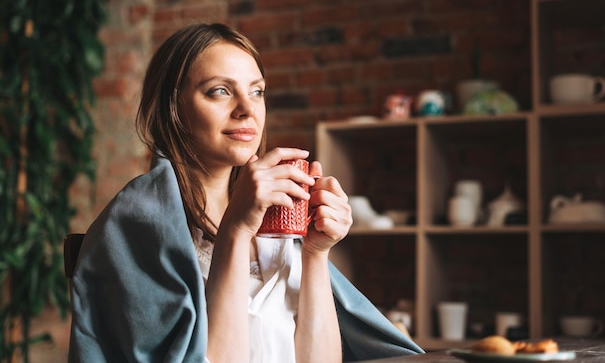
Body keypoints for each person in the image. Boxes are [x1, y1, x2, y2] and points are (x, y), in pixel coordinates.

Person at [68, 23, 423, 363]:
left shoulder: (276, 209)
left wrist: (315, 253)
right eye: (220, 91)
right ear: (173, 107)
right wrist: (236, 231)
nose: (247, 109)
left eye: (256, 91)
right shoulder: (138, 220)